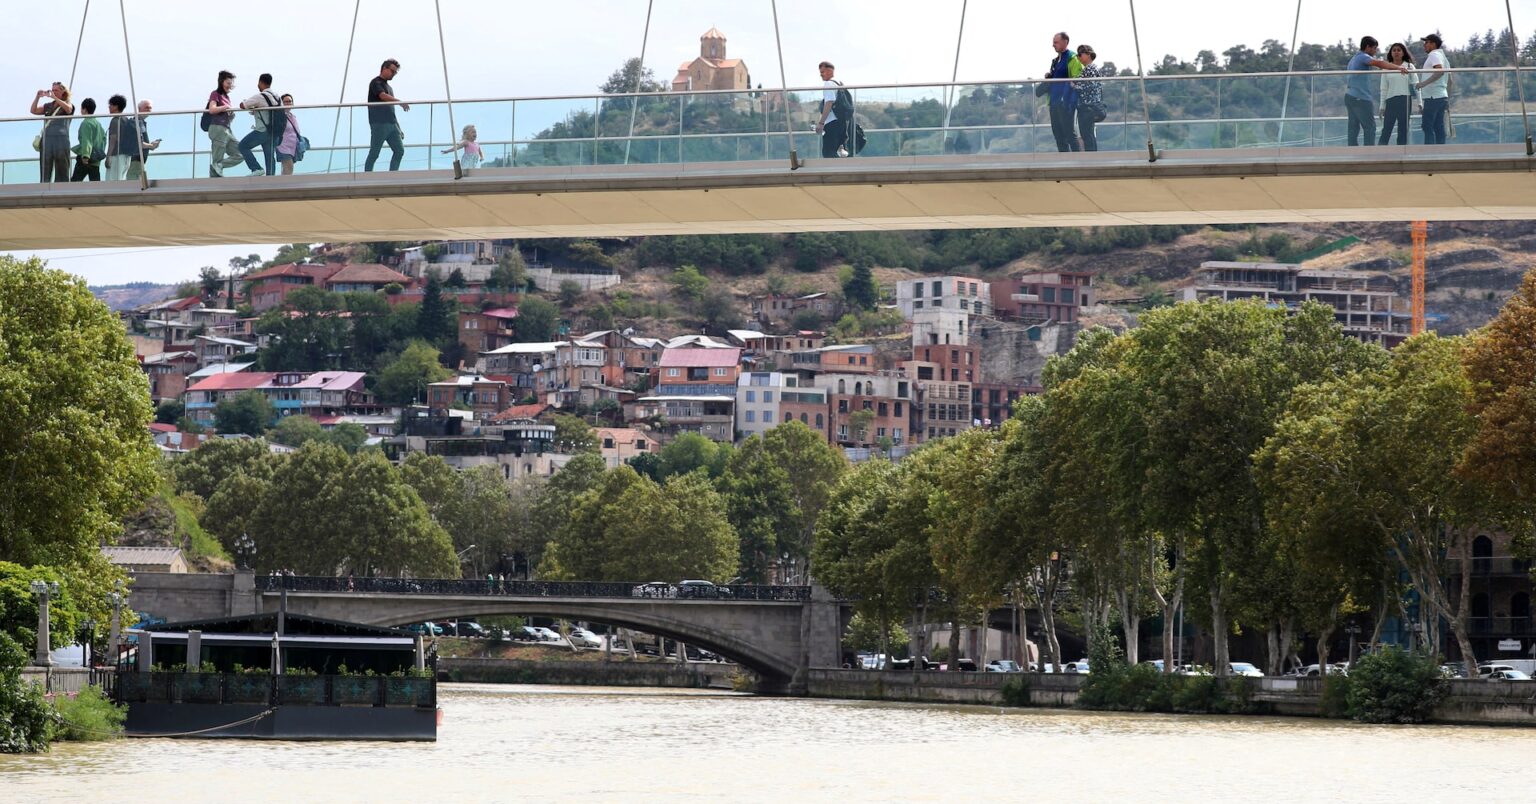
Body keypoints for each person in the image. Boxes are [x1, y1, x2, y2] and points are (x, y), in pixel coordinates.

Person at [1344, 37, 1407, 147]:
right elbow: (1379, 63)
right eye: (1374, 48)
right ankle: (1369, 154)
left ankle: (1352, 152)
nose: (1375, 51)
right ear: (1367, 47)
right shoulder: (1363, 57)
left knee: (1353, 127)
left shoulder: (1353, 59)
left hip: (1350, 96)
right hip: (1360, 98)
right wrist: (1398, 68)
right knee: (1370, 127)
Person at [365, 59, 409, 172]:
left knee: (399, 150)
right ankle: (367, 176)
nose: (393, 74)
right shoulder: (376, 82)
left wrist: (399, 128)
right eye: (392, 71)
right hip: (379, 124)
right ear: (384, 68)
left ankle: (393, 174)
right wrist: (400, 102)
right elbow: (382, 96)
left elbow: (391, 109)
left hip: (392, 124)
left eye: (395, 73)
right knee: (374, 153)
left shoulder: (390, 88)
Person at [238, 73, 283, 176]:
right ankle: (271, 178)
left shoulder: (260, 96)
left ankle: (256, 168)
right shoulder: (278, 98)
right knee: (269, 156)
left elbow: (242, 105)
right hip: (274, 131)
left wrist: (248, 103)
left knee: (242, 146)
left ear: (260, 82)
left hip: (262, 130)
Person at [30, 81, 74, 183]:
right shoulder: (48, 106)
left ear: (63, 91)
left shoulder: (66, 103)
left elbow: (68, 110)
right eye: (52, 90)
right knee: (45, 168)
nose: (54, 92)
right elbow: (33, 110)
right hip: (48, 139)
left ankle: (62, 190)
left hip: (61, 139)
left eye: (56, 90)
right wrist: (37, 97)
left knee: (62, 170)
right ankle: (44, 187)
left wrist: (55, 98)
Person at [1046, 32, 1082, 153]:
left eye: (1056, 42)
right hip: (1054, 102)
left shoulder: (1072, 58)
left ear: (1065, 42)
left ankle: (1078, 161)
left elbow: (1078, 78)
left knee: (1069, 133)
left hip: (1065, 102)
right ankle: (1064, 160)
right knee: (1058, 134)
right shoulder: (1056, 61)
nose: (1053, 45)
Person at [206, 71, 244, 177]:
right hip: (218, 128)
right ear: (221, 82)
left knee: (241, 153)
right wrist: (225, 107)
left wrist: (231, 115)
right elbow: (212, 109)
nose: (230, 85)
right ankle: (215, 179)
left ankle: (220, 165)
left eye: (231, 83)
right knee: (217, 157)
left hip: (227, 129)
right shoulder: (215, 94)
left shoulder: (227, 97)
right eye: (228, 82)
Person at [1378, 42, 1417, 145]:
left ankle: (1401, 153)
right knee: (1387, 129)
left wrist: (1420, 102)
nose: (1396, 52)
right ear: (1391, 53)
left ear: (1403, 52)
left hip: (1405, 100)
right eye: (1394, 50)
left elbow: (1416, 85)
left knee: (1403, 129)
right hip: (1391, 100)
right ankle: (1379, 153)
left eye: (1399, 50)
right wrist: (1382, 106)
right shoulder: (1386, 67)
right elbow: (1384, 88)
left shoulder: (1409, 66)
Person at [815, 61, 853, 158]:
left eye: (822, 72)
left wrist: (821, 123)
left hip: (832, 123)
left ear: (829, 71)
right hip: (842, 122)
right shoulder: (839, 84)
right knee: (840, 152)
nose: (820, 75)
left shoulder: (829, 84)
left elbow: (829, 103)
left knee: (828, 153)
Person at [1417, 33, 1450, 144]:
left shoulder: (1434, 55)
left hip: (1433, 96)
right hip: (1442, 96)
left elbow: (1439, 71)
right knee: (1438, 126)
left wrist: (1423, 84)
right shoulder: (1444, 58)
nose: (1424, 45)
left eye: (1426, 42)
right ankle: (1440, 150)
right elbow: (1450, 80)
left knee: (1427, 125)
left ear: (1433, 44)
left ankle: (1429, 151)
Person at [1073, 45, 1105, 152]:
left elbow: (1089, 86)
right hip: (1091, 106)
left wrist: (1074, 86)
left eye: (1080, 55)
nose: (1078, 57)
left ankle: (1091, 157)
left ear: (1088, 54)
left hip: (1087, 106)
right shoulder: (1093, 68)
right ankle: (1093, 156)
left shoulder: (1090, 68)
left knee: (1086, 134)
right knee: (1089, 133)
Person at [69, 97, 105, 182]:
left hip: (86, 159)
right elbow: (104, 139)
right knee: (96, 185)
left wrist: (85, 156)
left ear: (84, 109)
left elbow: (86, 140)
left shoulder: (86, 123)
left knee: (74, 183)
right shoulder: (98, 123)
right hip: (96, 159)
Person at [125, 99, 161, 181]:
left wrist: (151, 145)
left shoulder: (139, 122)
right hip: (135, 161)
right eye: (146, 108)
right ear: (139, 109)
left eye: (150, 108)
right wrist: (152, 146)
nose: (149, 110)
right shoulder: (137, 122)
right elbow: (139, 143)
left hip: (137, 161)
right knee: (135, 186)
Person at [104, 94, 133, 180]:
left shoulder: (115, 121)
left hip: (116, 156)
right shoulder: (126, 120)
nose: (109, 107)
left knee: (112, 183)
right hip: (127, 157)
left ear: (116, 106)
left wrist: (108, 157)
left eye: (111, 105)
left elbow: (113, 140)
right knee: (121, 182)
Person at [275, 94, 302, 175]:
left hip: (293, 147)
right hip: (283, 146)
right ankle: (284, 186)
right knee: (288, 167)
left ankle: (282, 185)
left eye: (290, 101)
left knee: (287, 168)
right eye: (285, 102)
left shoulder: (292, 116)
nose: (288, 103)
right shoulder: (279, 116)